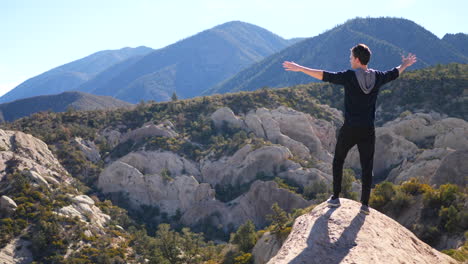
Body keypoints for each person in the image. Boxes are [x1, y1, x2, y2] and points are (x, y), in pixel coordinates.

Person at [283, 44, 417, 214]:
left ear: (356, 59)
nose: (349, 59)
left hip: (350, 128)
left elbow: (325, 75)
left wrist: (300, 68)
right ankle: (365, 205)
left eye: (351, 56)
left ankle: (336, 197)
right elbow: (394, 73)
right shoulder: (378, 76)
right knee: (367, 166)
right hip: (368, 129)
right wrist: (404, 64)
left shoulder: (349, 76)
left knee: (338, 160)